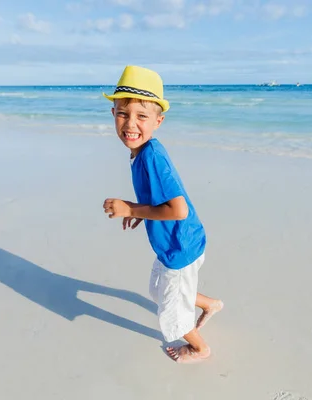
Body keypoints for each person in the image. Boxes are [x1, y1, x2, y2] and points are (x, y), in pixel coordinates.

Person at [102, 65, 223, 364]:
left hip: (180, 247)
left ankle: (200, 348)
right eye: (122, 113)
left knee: (173, 316)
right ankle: (210, 304)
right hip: (176, 243)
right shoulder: (141, 152)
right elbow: (160, 199)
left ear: (159, 121)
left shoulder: (152, 156)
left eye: (142, 116)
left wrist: (130, 208)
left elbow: (178, 209)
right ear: (112, 113)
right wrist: (143, 211)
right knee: (158, 291)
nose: (131, 123)